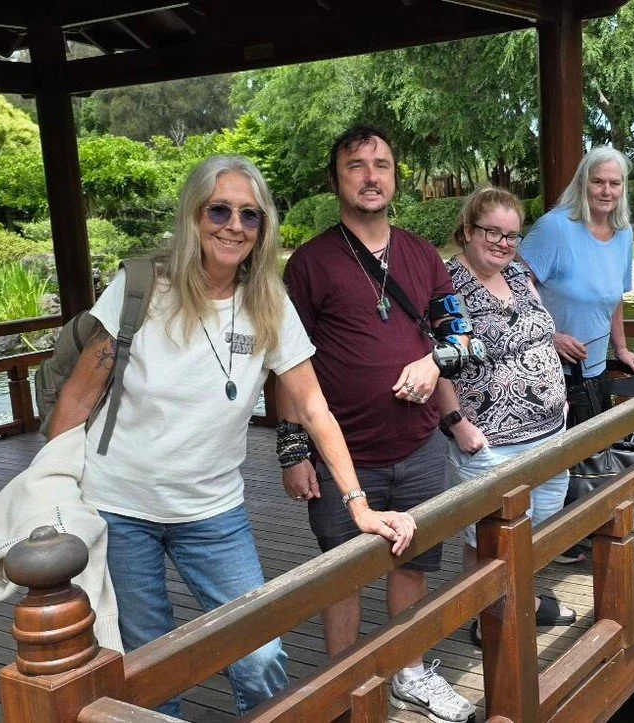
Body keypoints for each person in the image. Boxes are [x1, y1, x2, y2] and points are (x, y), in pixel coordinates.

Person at [47, 155, 415, 717]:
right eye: (219, 210)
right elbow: (77, 395)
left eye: (250, 215)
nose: (234, 226)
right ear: (194, 215)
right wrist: (53, 486)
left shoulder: (269, 302)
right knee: (149, 660)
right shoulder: (141, 288)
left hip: (213, 512)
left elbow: (314, 405)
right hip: (119, 506)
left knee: (261, 654)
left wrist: (358, 504)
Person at [279, 126, 476, 723]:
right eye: (357, 165)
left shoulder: (421, 254)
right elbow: (287, 365)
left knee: (413, 558)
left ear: (396, 176)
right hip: (345, 455)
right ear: (336, 178)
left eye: (382, 164)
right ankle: (347, 681)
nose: (370, 176)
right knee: (343, 570)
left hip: (417, 447)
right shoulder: (311, 263)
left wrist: (432, 363)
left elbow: (461, 337)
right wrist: (293, 449)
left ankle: (408, 671)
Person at [436, 186, 577, 646]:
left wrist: (555, 384)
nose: (502, 242)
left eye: (511, 235)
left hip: (550, 430)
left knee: (539, 525)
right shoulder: (448, 285)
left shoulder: (519, 275)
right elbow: (435, 358)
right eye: (491, 232)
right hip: (492, 438)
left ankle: (522, 598)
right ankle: (487, 614)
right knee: (488, 538)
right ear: (468, 231)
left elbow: (538, 331)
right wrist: (457, 424)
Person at [519, 146, 634, 564]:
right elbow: (516, 282)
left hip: (592, 366)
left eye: (614, 183)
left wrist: (621, 348)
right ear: (582, 182)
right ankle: (547, 540)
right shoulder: (555, 228)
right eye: (598, 181)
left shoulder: (623, 233)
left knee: (585, 448)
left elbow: (615, 298)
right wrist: (549, 333)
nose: (606, 190)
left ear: (623, 189)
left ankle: (572, 530)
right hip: (547, 366)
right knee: (554, 455)